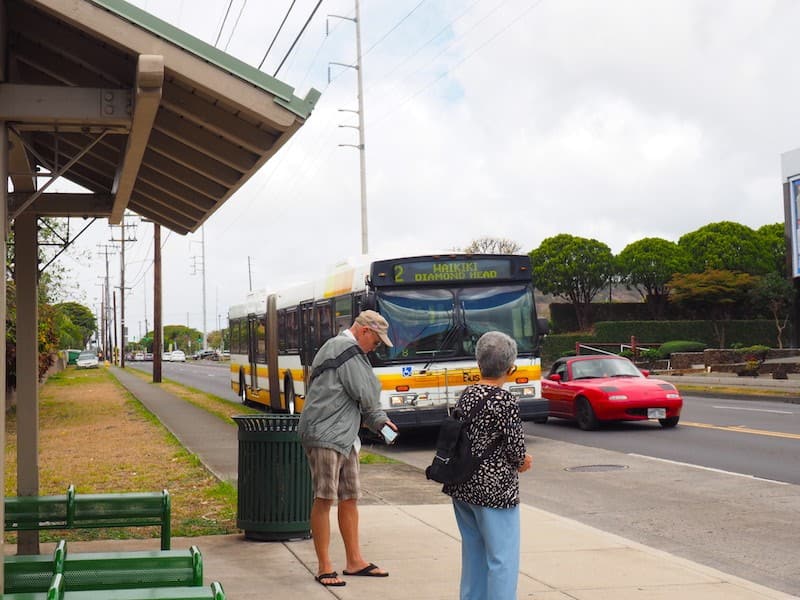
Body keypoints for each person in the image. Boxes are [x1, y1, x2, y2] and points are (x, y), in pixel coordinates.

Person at [298, 309, 398, 587]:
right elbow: (366, 390)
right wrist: (380, 421)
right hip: (326, 433)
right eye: (376, 342)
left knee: (349, 497)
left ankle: (354, 560)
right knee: (324, 498)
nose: (375, 349)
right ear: (364, 331)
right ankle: (324, 566)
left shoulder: (344, 349)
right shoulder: (346, 348)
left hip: (343, 435)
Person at [442, 331, 533, 600]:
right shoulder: (505, 401)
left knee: (474, 553)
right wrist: (523, 461)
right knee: (502, 558)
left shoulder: (466, 394)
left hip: (463, 485)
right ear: (510, 367)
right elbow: (516, 450)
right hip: (495, 491)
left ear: (478, 362)